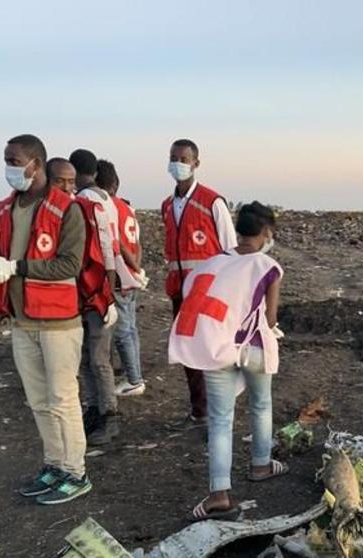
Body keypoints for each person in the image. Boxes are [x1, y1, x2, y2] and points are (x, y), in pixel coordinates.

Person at [0, 134, 91, 504]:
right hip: (22, 319)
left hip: (59, 321)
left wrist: (17, 267)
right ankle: (54, 464)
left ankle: (76, 472)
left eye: (15, 161)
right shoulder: (4, 209)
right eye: (6, 160)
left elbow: (70, 264)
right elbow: (1, 248)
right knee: (38, 400)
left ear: (36, 163)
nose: (9, 168)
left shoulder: (67, 209)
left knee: (63, 398)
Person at [168, 202, 286, 521]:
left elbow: (192, 298)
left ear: (238, 230)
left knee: (220, 420)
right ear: (266, 233)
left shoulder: (208, 264)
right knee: (261, 405)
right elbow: (271, 317)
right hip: (255, 347)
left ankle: (219, 493)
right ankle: (261, 464)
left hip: (215, 347)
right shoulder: (267, 266)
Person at [162, 139, 237, 424]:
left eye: (184, 158)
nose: (178, 163)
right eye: (173, 157)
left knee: (213, 351)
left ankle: (219, 405)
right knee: (186, 352)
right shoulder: (168, 206)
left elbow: (230, 249)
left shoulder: (212, 202)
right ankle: (200, 409)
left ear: (196, 163)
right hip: (179, 292)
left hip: (208, 293)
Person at [70, 148, 121, 445]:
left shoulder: (86, 203)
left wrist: (107, 293)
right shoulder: (106, 200)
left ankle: (108, 414)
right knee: (91, 356)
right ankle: (95, 410)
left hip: (94, 286)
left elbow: (104, 250)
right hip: (100, 286)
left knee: (96, 357)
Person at [96, 160, 147, 396]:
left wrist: (130, 268)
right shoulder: (128, 208)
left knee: (123, 330)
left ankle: (135, 379)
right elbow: (136, 242)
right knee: (131, 328)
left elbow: (117, 245)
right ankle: (133, 374)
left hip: (120, 275)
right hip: (131, 275)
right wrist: (137, 269)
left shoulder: (107, 207)